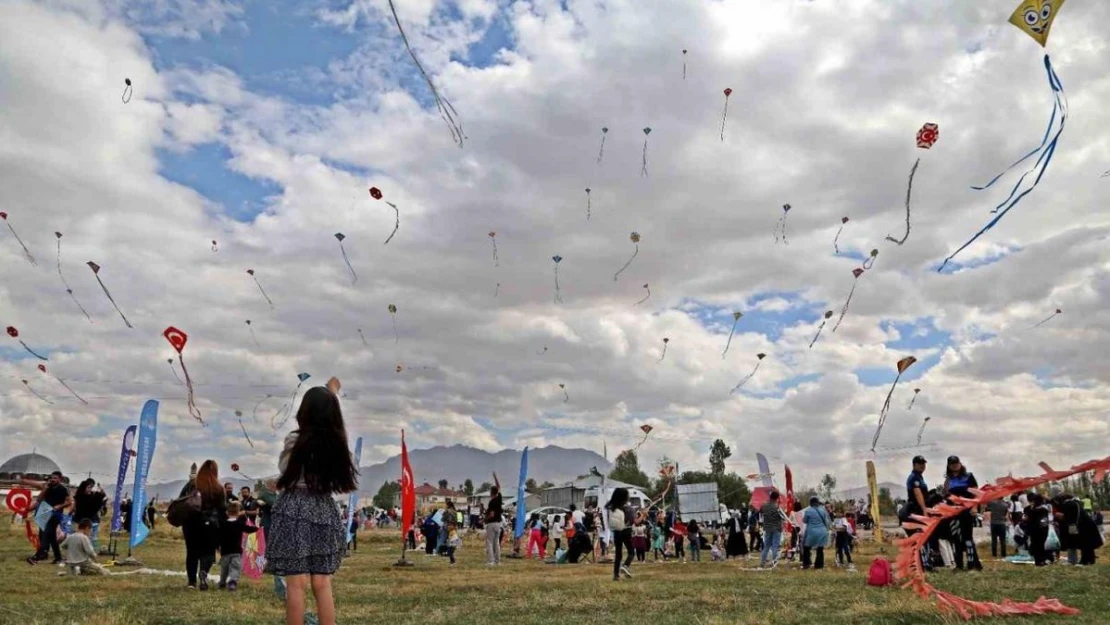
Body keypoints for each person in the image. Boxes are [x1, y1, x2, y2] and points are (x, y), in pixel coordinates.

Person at [266, 377, 358, 625]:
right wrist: (333, 394)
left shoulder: (295, 441)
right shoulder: (339, 446)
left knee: (296, 583)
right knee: (322, 581)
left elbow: (287, 471)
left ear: (303, 411)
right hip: (324, 511)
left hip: (294, 509)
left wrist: (275, 481)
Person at [180, 459, 226, 589]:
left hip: (191, 524)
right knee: (209, 552)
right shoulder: (218, 488)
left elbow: (181, 500)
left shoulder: (192, 484)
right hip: (211, 525)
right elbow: (223, 509)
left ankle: (191, 582)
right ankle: (204, 571)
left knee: (192, 552)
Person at [942, 456, 982, 571]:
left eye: (956, 462)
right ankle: (959, 565)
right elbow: (946, 495)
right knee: (955, 538)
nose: (955, 465)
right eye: (952, 463)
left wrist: (974, 507)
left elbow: (977, 493)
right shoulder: (948, 480)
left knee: (967, 538)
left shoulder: (968, 476)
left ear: (960, 463)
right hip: (953, 512)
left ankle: (972, 564)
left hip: (967, 510)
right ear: (949, 466)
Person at [26, 470, 72, 565]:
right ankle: (58, 558)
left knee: (46, 535)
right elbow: (39, 499)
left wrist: (59, 506)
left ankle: (37, 557)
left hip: (55, 515)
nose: (52, 480)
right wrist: (45, 488)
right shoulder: (48, 487)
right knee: (51, 537)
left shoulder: (63, 489)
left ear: (60, 479)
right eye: (51, 478)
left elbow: (69, 502)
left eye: (55, 478)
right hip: (45, 513)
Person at [219, 501, 258, 591]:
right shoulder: (239, 524)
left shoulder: (222, 524)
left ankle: (222, 582)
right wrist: (257, 528)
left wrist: (218, 546)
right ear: (238, 513)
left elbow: (218, 536)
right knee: (235, 567)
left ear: (227, 513)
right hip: (236, 551)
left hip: (225, 551)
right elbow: (249, 529)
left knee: (224, 568)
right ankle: (232, 582)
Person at [606, 488, 634, 581]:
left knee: (618, 554)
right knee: (631, 552)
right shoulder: (628, 508)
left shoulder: (612, 508)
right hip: (626, 531)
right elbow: (632, 521)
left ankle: (616, 575)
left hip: (617, 532)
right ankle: (625, 566)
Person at [72, 478, 107, 551]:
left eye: (91, 487)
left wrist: (101, 494)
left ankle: (89, 552)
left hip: (92, 520)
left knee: (91, 538)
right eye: (88, 487)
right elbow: (88, 506)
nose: (90, 489)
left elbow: (96, 506)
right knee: (79, 537)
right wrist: (98, 495)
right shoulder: (81, 497)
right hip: (81, 520)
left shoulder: (92, 496)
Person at [801, 497, 831, 570]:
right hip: (822, 532)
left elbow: (805, 521)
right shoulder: (822, 510)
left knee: (807, 548)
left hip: (812, 532)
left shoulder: (808, 511)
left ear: (810, 503)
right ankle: (819, 566)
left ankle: (806, 564)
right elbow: (827, 522)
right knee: (820, 549)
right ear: (818, 503)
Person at [759, 491, 784, 569]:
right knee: (775, 546)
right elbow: (783, 517)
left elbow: (761, 512)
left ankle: (762, 563)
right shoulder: (777, 507)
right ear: (777, 498)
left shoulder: (764, 505)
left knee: (766, 546)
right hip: (776, 528)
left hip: (767, 528)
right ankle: (774, 564)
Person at [485, 475, 503, 565]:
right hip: (498, 524)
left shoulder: (492, 502)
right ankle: (497, 561)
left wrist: (484, 519)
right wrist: (495, 477)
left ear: (491, 492)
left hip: (491, 523)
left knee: (489, 542)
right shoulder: (499, 499)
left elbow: (491, 514)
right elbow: (499, 487)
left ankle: (491, 561)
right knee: (497, 543)